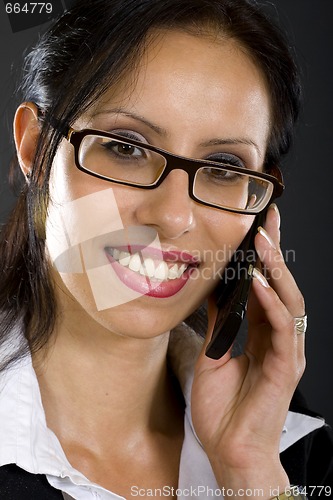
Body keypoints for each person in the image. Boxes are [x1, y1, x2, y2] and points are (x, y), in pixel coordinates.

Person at [0, 0, 332, 498]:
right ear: (35, 149)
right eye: (126, 147)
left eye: (223, 168)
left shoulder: (291, 450)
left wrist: (249, 471)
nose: (174, 216)